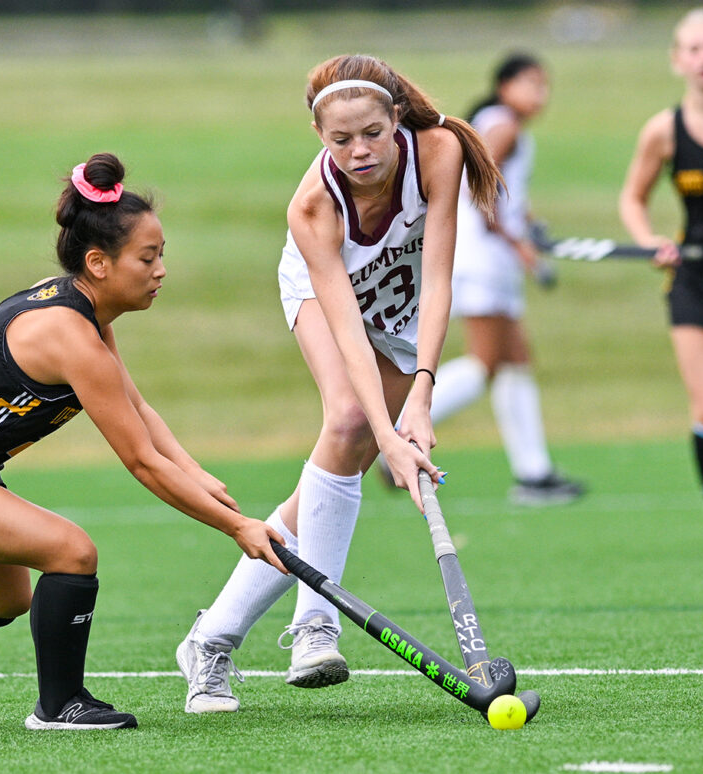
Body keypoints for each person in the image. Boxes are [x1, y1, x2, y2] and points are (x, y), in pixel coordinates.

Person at [0, 152, 286, 731]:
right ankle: (60, 706)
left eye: (162, 256)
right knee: (71, 552)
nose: (161, 271)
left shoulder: (83, 310)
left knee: (4, 598)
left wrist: (199, 474)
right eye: (148, 258)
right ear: (98, 263)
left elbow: (138, 409)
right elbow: (140, 461)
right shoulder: (70, 336)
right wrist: (237, 528)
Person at [177, 53, 502, 713]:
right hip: (328, 301)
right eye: (340, 139)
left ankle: (210, 638)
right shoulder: (313, 206)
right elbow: (347, 333)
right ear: (320, 138)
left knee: (325, 482)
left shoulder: (437, 151)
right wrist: (390, 437)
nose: (359, 151)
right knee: (351, 423)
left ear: (397, 121)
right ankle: (313, 627)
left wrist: (422, 394)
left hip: (402, 305)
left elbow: (440, 279)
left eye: (372, 135)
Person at [379, 53, 584, 506]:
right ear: (505, 85)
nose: (541, 95)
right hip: (484, 259)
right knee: (485, 363)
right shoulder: (504, 125)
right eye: (532, 84)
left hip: (488, 258)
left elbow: (506, 193)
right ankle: (395, 436)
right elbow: (482, 193)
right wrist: (521, 248)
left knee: (516, 361)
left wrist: (529, 226)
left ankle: (534, 473)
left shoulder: (503, 124)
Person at [620, 8, 703, 556]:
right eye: (695, 49)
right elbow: (632, 198)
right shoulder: (664, 130)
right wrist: (650, 243)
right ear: (677, 59)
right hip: (696, 282)